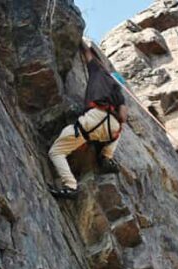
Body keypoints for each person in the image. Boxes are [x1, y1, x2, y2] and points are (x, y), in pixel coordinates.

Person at [48, 40, 128, 199]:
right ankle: (106, 156)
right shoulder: (119, 94)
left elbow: (87, 54)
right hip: (111, 126)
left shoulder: (99, 72)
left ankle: (71, 186)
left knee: (56, 152)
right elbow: (123, 118)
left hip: (92, 120)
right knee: (118, 130)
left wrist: (80, 41)